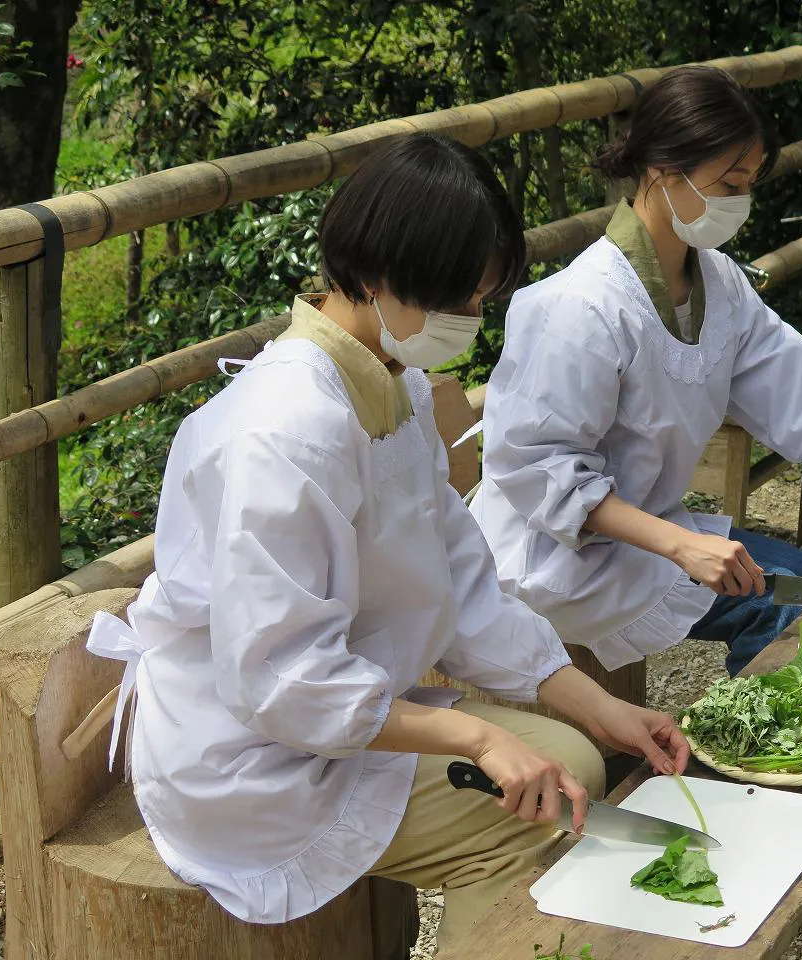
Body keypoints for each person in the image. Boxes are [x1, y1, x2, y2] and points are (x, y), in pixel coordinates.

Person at [82, 132, 689, 948]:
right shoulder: (285, 431)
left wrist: (601, 705)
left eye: (480, 300)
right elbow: (282, 682)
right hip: (252, 760)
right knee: (542, 810)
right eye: (459, 302)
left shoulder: (384, 385)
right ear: (374, 278)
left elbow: (463, 584)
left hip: (330, 716)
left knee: (570, 759)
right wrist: (477, 734)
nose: (471, 322)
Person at [472, 65, 802, 934]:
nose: (738, 202)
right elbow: (535, 471)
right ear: (660, 173)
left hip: (643, 538)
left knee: (800, 581)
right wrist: (677, 546)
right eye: (726, 184)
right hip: (548, 553)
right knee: (782, 602)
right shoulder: (575, 307)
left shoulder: (719, 285)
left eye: (748, 185)